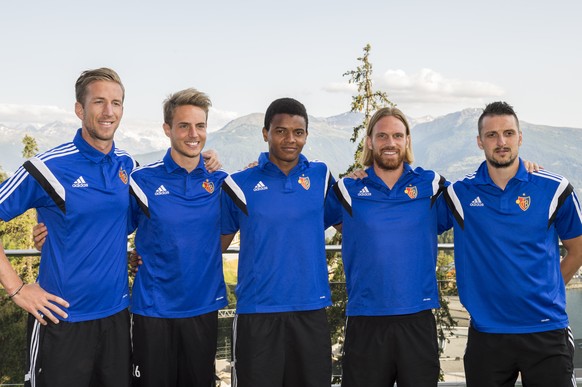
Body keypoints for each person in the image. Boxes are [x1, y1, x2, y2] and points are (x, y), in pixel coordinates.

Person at [0, 67, 134, 386]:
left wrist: (207, 162)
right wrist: (17, 289)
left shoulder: (128, 165)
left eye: (116, 103)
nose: (108, 111)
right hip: (60, 319)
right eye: (99, 101)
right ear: (80, 109)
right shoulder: (48, 167)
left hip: (117, 318)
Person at [443, 101, 582, 386]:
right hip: (487, 334)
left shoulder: (554, 189)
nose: (501, 141)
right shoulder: (459, 194)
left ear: (520, 137)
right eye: (492, 135)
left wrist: (549, 288)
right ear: (480, 142)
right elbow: (407, 217)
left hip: (546, 331)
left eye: (508, 133)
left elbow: (578, 249)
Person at [326, 107, 449, 386]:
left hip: (418, 318)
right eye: (382, 136)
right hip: (366, 319)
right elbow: (305, 213)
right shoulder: (347, 190)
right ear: (369, 141)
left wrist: (522, 167)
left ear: (407, 141)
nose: (390, 143)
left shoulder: (431, 184)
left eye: (397, 135)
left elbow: (480, 195)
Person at [220, 97, 337, 387]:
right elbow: (213, 246)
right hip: (258, 314)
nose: (290, 139)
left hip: (311, 310)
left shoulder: (321, 176)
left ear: (306, 135)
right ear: (265, 133)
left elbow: (355, 229)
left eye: (298, 132)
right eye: (281, 131)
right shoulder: (239, 184)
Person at [128, 88, 228, 386]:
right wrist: (49, 232)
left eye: (200, 126)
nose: (193, 134)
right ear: (167, 129)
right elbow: (107, 226)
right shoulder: (142, 180)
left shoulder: (221, 182)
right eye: (183, 125)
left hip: (203, 307)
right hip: (153, 309)